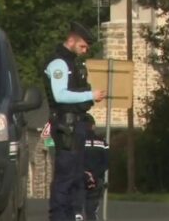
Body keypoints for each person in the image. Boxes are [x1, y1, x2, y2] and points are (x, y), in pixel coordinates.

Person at [44, 21, 105, 221]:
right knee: (66, 177)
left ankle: (73, 216)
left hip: (76, 125)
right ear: (71, 41)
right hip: (66, 126)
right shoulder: (59, 63)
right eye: (83, 46)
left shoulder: (73, 63)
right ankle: (60, 217)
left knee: (77, 176)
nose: (85, 50)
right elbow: (60, 95)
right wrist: (89, 94)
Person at [83, 113, 109, 221]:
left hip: (79, 179)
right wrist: (94, 175)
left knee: (76, 210)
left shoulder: (77, 142)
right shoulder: (103, 143)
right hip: (97, 181)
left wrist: (85, 174)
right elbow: (106, 163)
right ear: (93, 126)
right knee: (91, 211)